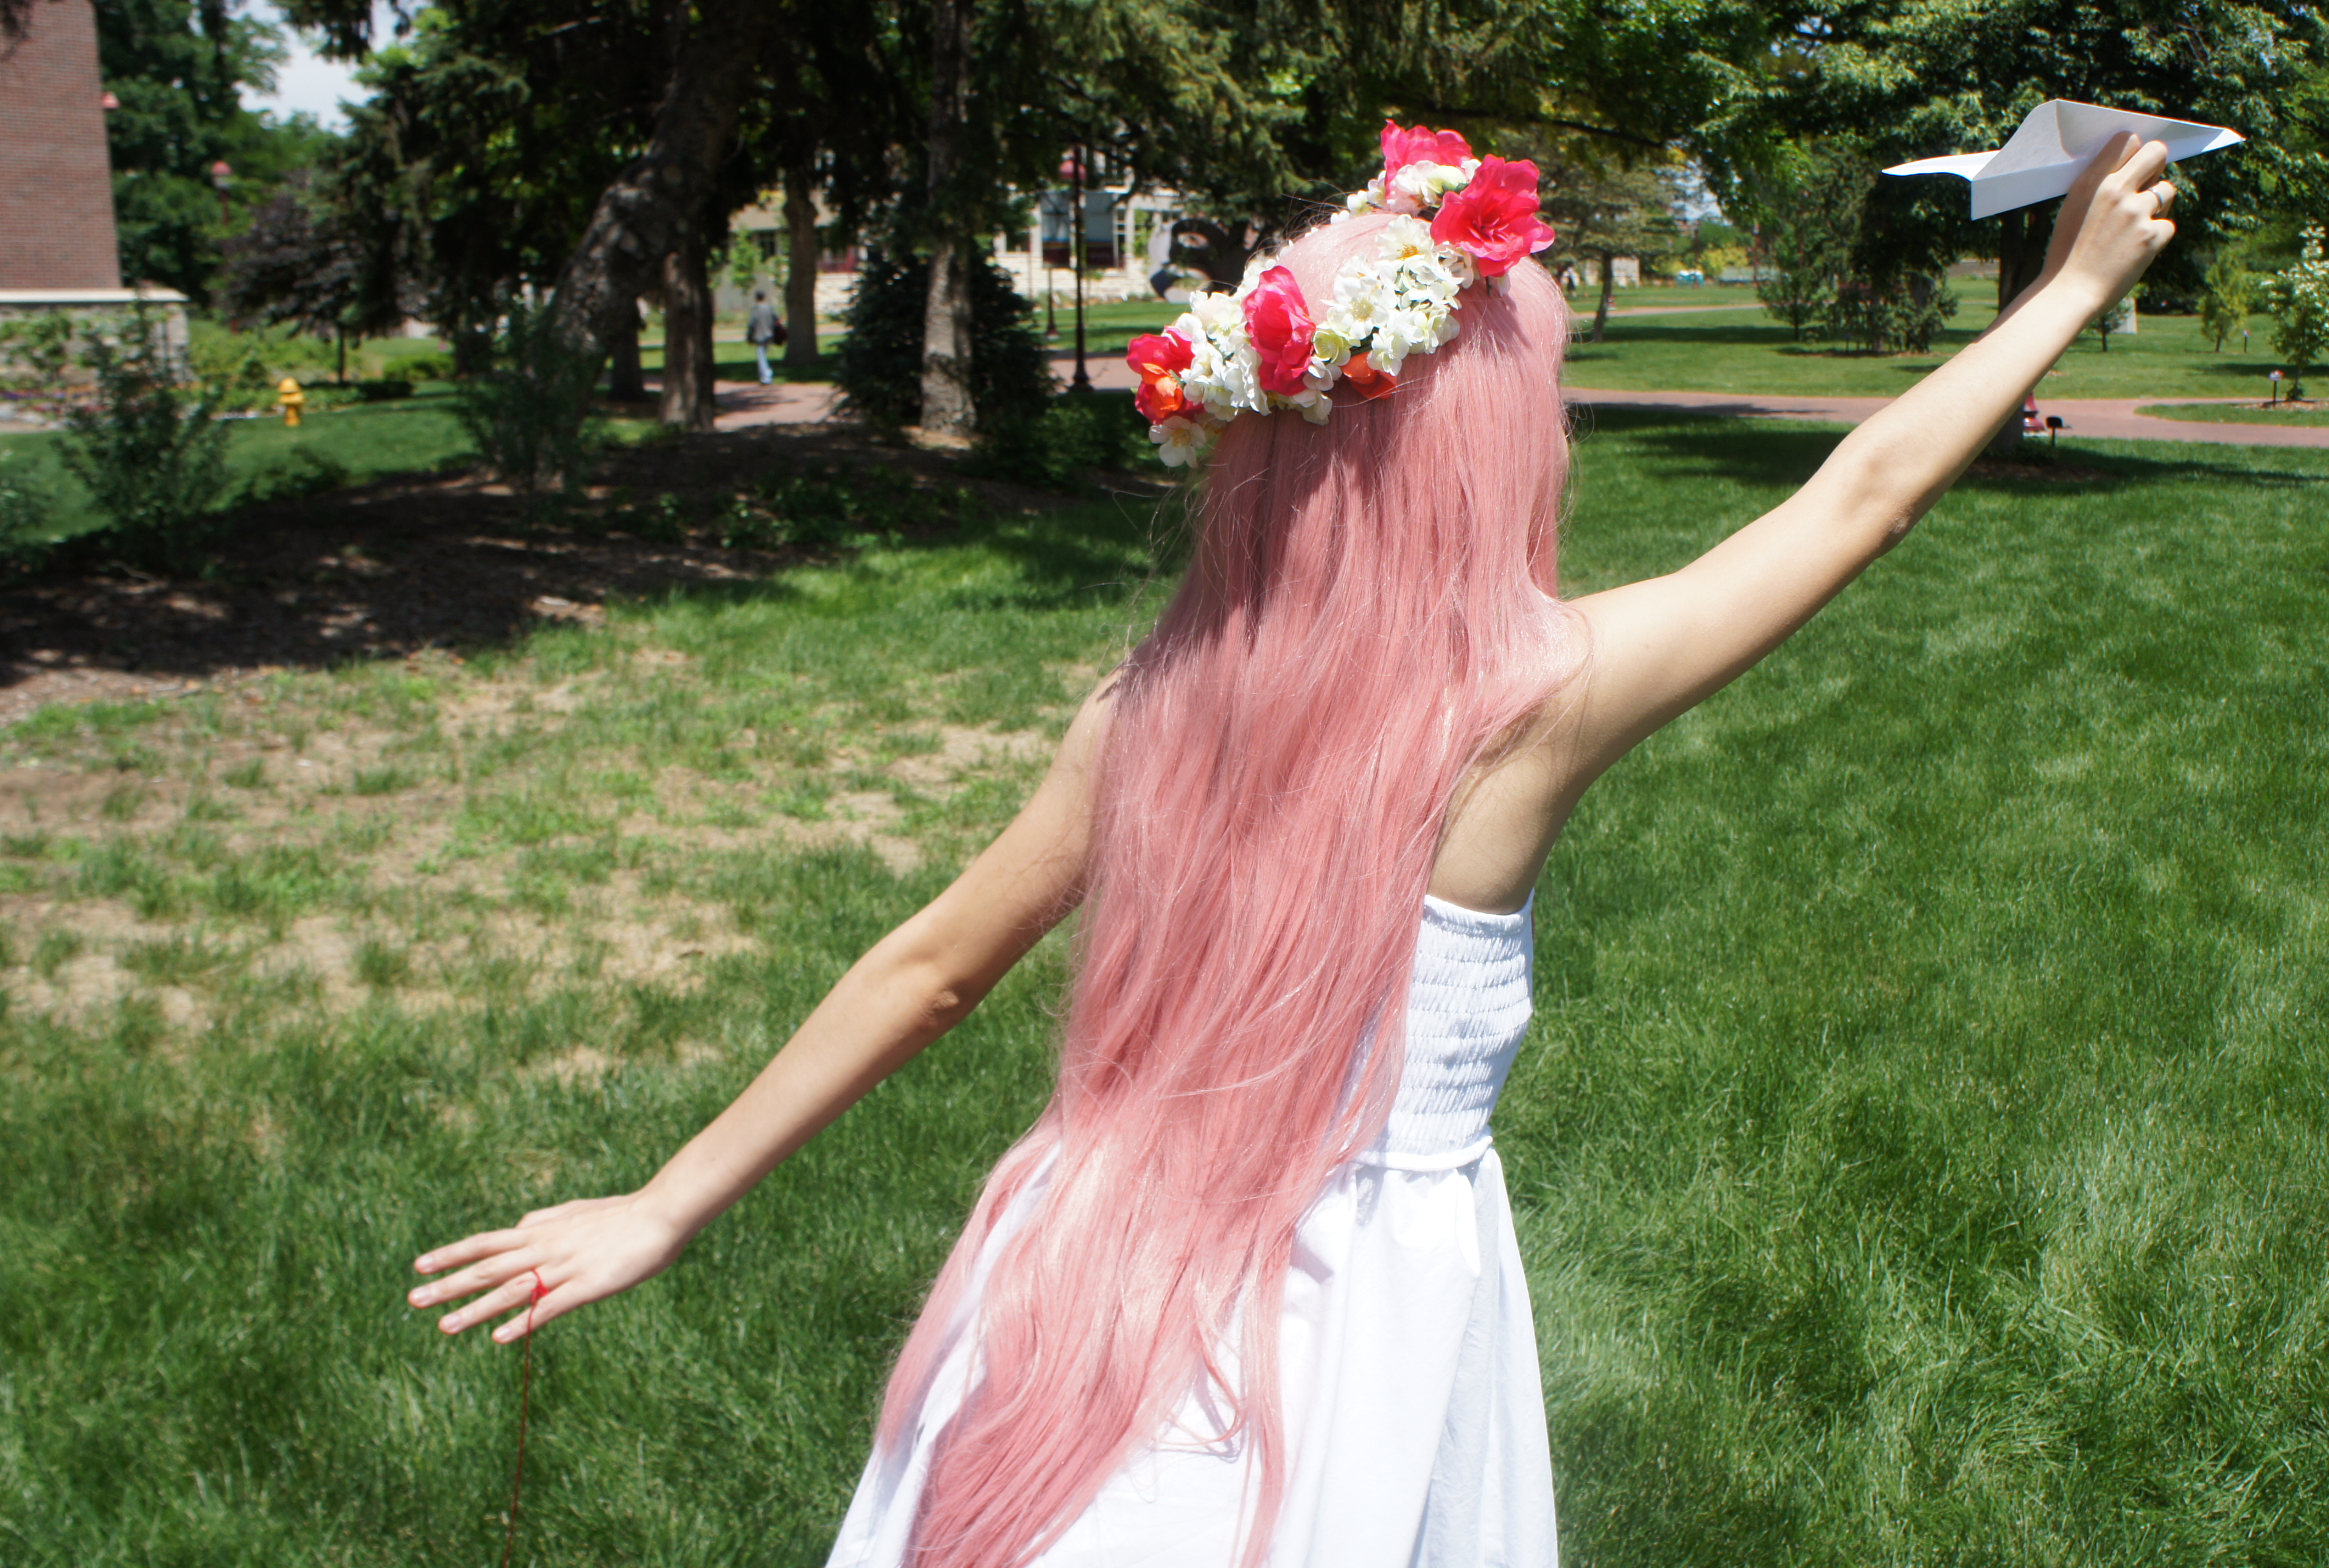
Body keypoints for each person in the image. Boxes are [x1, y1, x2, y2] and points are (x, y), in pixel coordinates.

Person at [405, 125, 2178, 1568]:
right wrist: (2073, 287)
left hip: (1080, 1273)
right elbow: (1862, 494)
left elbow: (932, 969)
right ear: (1488, 456)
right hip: (1344, 1338)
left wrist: (664, 1201)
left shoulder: (1149, 705)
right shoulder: (1525, 706)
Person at [745, 288, 782, 385]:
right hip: (769, 335)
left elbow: (752, 324)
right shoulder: (769, 308)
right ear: (764, 297)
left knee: (762, 357)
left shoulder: (756, 309)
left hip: (759, 336)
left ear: (756, 298)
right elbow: (777, 319)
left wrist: (749, 336)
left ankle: (766, 377)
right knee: (764, 356)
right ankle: (765, 376)